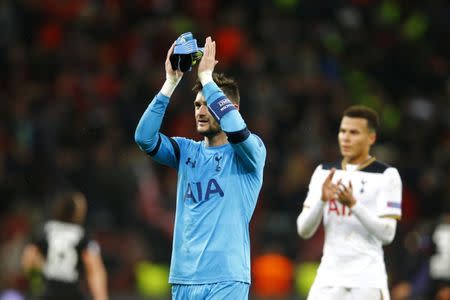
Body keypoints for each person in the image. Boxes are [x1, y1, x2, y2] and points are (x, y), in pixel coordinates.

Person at [134, 36, 266, 299]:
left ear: (232, 107)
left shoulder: (251, 153)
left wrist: (207, 78)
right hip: (184, 277)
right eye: (196, 105)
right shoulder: (187, 151)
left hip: (226, 277)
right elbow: (144, 138)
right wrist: (170, 83)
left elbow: (237, 130)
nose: (200, 112)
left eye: (208, 105)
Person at [296, 105, 402, 300]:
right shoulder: (323, 172)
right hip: (328, 278)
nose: (345, 137)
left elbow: (388, 234)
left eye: (354, 132)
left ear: (371, 138)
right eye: (343, 131)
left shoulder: (387, 176)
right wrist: (322, 200)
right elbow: (304, 230)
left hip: (367, 281)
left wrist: (354, 205)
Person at [21, 191, 108, 300]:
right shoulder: (82, 235)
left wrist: (37, 279)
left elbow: (28, 260)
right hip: (72, 293)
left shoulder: (44, 230)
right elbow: (94, 268)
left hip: (47, 293)